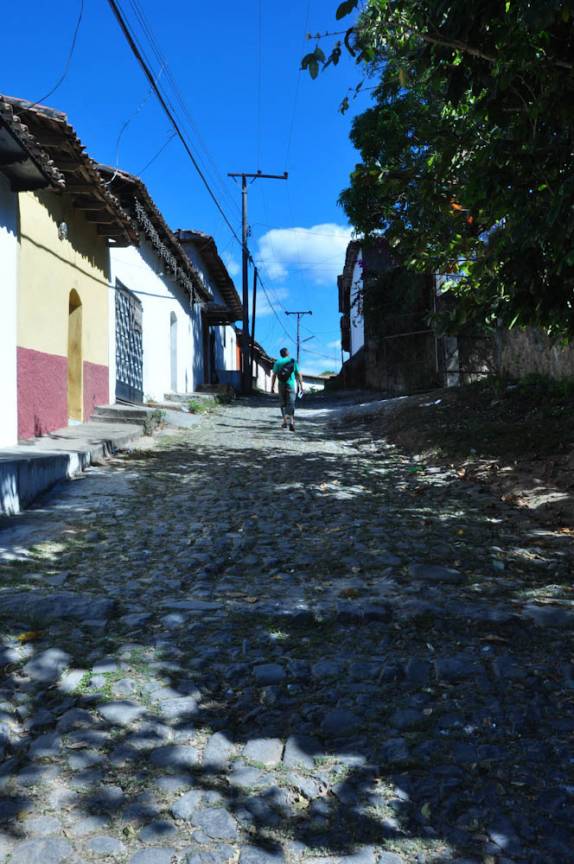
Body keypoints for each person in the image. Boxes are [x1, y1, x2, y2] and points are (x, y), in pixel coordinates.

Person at [271, 348, 304, 431]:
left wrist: (272, 386)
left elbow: (274, 375)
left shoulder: (277, 362)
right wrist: (301, 385)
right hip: (291, 385)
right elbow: (299, 374)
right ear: (287, 353)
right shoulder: (293, 361)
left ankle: (285, 421)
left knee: (283, 403)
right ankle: (292, 422)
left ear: (281, 354)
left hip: (281, 385)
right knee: (291, 403)